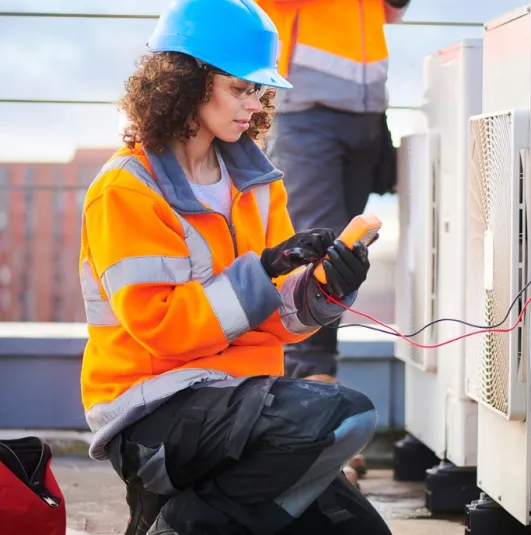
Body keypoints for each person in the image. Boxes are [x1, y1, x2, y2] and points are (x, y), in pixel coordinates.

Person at [77, 0, 392, 534]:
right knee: (344, 413)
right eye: (239, 87)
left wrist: (324, 289)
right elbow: (165, 328)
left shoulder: (257, 183)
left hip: (242, 405)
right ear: (184, 81)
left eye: (260, 89)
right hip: (154, 412)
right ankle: (185, 524)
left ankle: (187, 514)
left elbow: (277, 319)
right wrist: (261, 270)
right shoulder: (126, 189)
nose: (255, 102)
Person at [257, 0, 409, 419]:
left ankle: (311, 396)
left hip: (367, 111)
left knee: (349, 248)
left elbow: (388, 12)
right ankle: (312, 395)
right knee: (320, 246)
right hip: (306, 112)